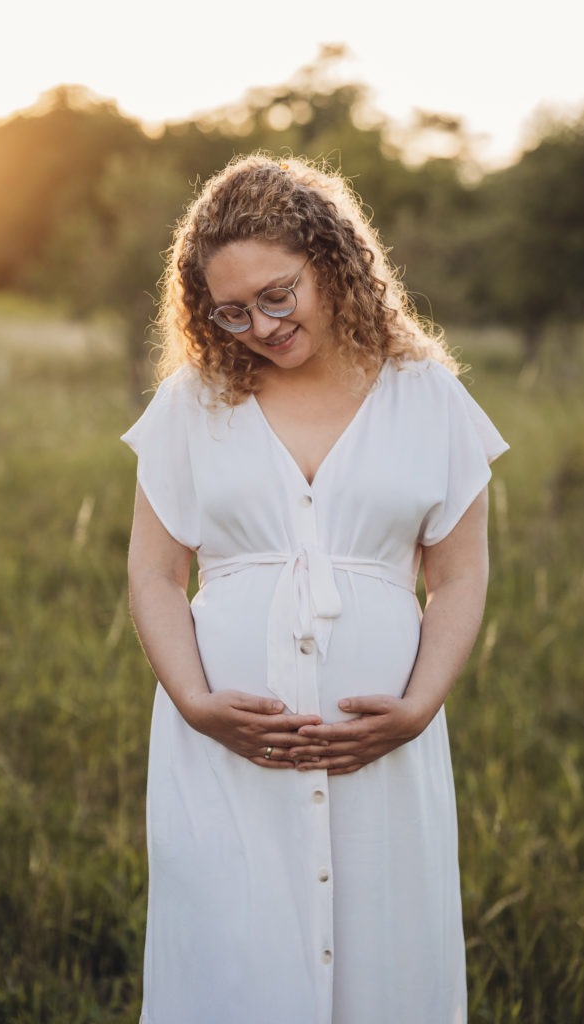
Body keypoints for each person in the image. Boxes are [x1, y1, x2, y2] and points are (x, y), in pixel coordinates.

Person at [122, 153, 508, 1024]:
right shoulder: (194, 402)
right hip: (223, 746)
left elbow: (456, 574)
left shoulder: (428, 398)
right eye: (230, 310)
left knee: (384, 955)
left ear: (330, 261)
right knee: (230, 952)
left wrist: (417, 708)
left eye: (277, 294)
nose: (258, 324)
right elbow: (153, 572)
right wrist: (193, 701)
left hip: (381, 746)